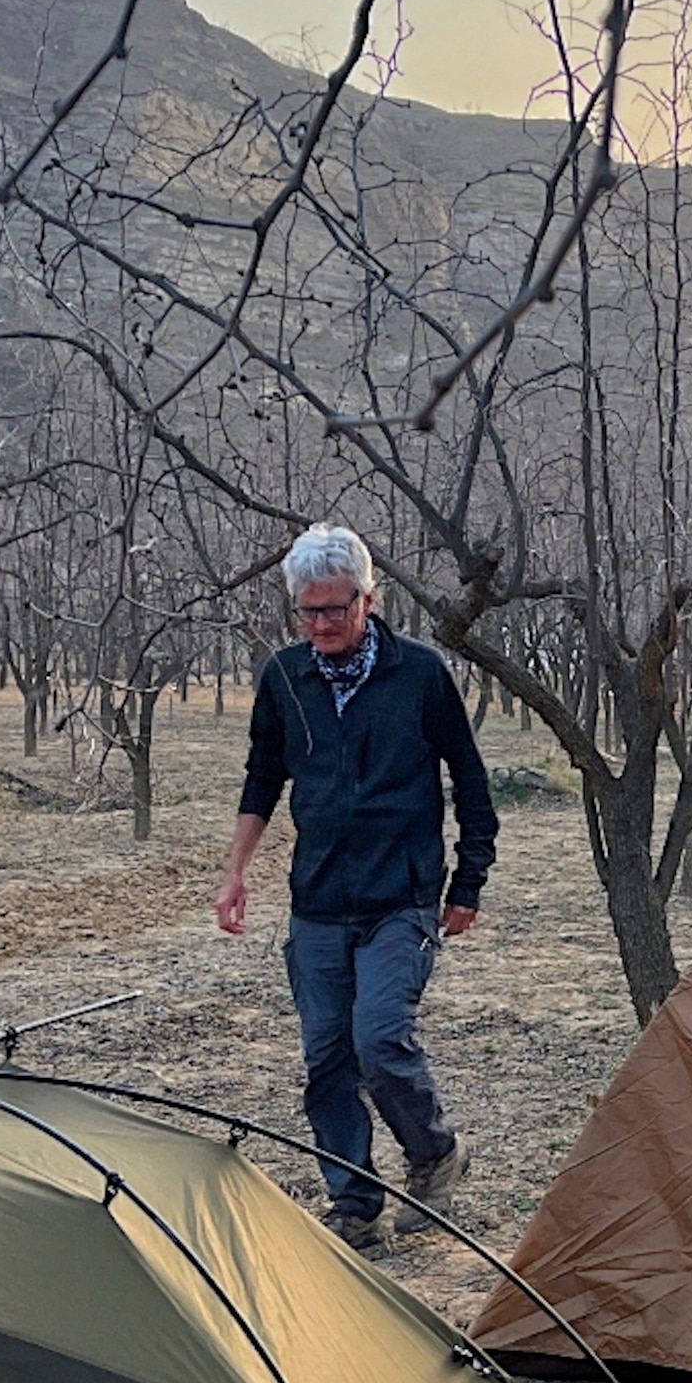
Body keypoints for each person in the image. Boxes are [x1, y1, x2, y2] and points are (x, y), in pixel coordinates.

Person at [217, 524, 498, 1252]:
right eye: (307, 612)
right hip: (317, 901)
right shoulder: (284, 678)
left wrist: (468, 879)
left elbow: (470, 780)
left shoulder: (419, 674)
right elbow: (262, 777)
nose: (321, 626)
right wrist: (237, 870)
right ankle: (354, 1203)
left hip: (400, 898)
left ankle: (434, 1151)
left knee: (378, 1038)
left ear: (369, 600)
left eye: (335, 610)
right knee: (327, 1059)